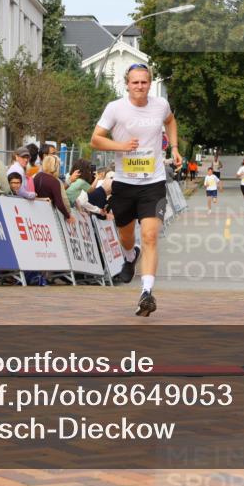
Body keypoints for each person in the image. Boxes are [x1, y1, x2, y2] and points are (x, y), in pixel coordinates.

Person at [90, 62, 182, 316]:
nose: (140, 86)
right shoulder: (115, 108)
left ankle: (146, 292)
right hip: (124, 183)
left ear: (150, 83)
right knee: (126, 236)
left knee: (151, 236)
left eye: (144, 82)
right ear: (127, 84)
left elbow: (171, 122)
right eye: (135, 82)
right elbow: (95, 139)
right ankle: (130, 256)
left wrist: (173, 148)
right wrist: (121, 147)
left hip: (153, 182)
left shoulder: (160, 105)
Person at [33, 154, 73, 225]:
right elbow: (59, 203)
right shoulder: (54, 182)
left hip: (34, 211)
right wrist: (68, 216)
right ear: (55, 167)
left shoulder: (37, 176)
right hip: (48, 214)